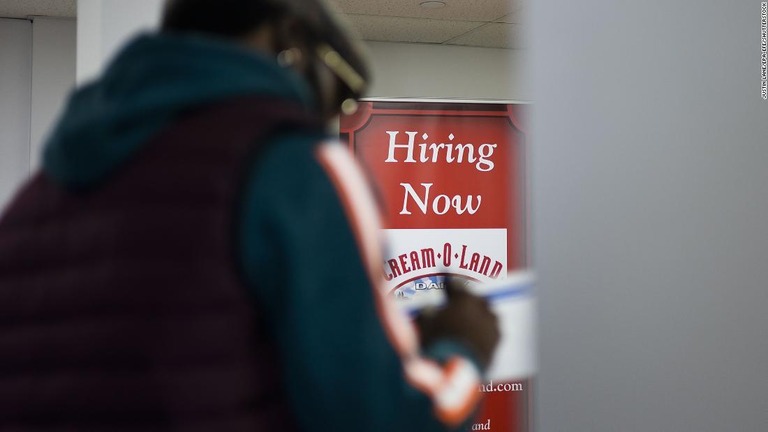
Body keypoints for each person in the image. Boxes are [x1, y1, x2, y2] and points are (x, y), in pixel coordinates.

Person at [0, 0, 500, 430]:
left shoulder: (39, 198)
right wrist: (463, 350)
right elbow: (382, 419)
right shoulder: (290, 166)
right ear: (290, 38)